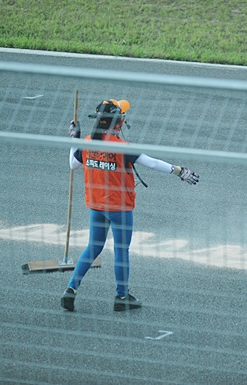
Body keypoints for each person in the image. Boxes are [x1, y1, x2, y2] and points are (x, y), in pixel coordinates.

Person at [61, 98, 199, 312]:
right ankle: (121, 296)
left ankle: (71, 289)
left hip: (96, 207)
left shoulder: (88, 142)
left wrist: (75, 139)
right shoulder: (122, 147)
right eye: (122, 118)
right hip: (119, 209)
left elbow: (73, 165)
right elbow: (152, 163)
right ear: (118, 123)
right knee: (121, 250)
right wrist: (180, 171)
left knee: (93, 248)